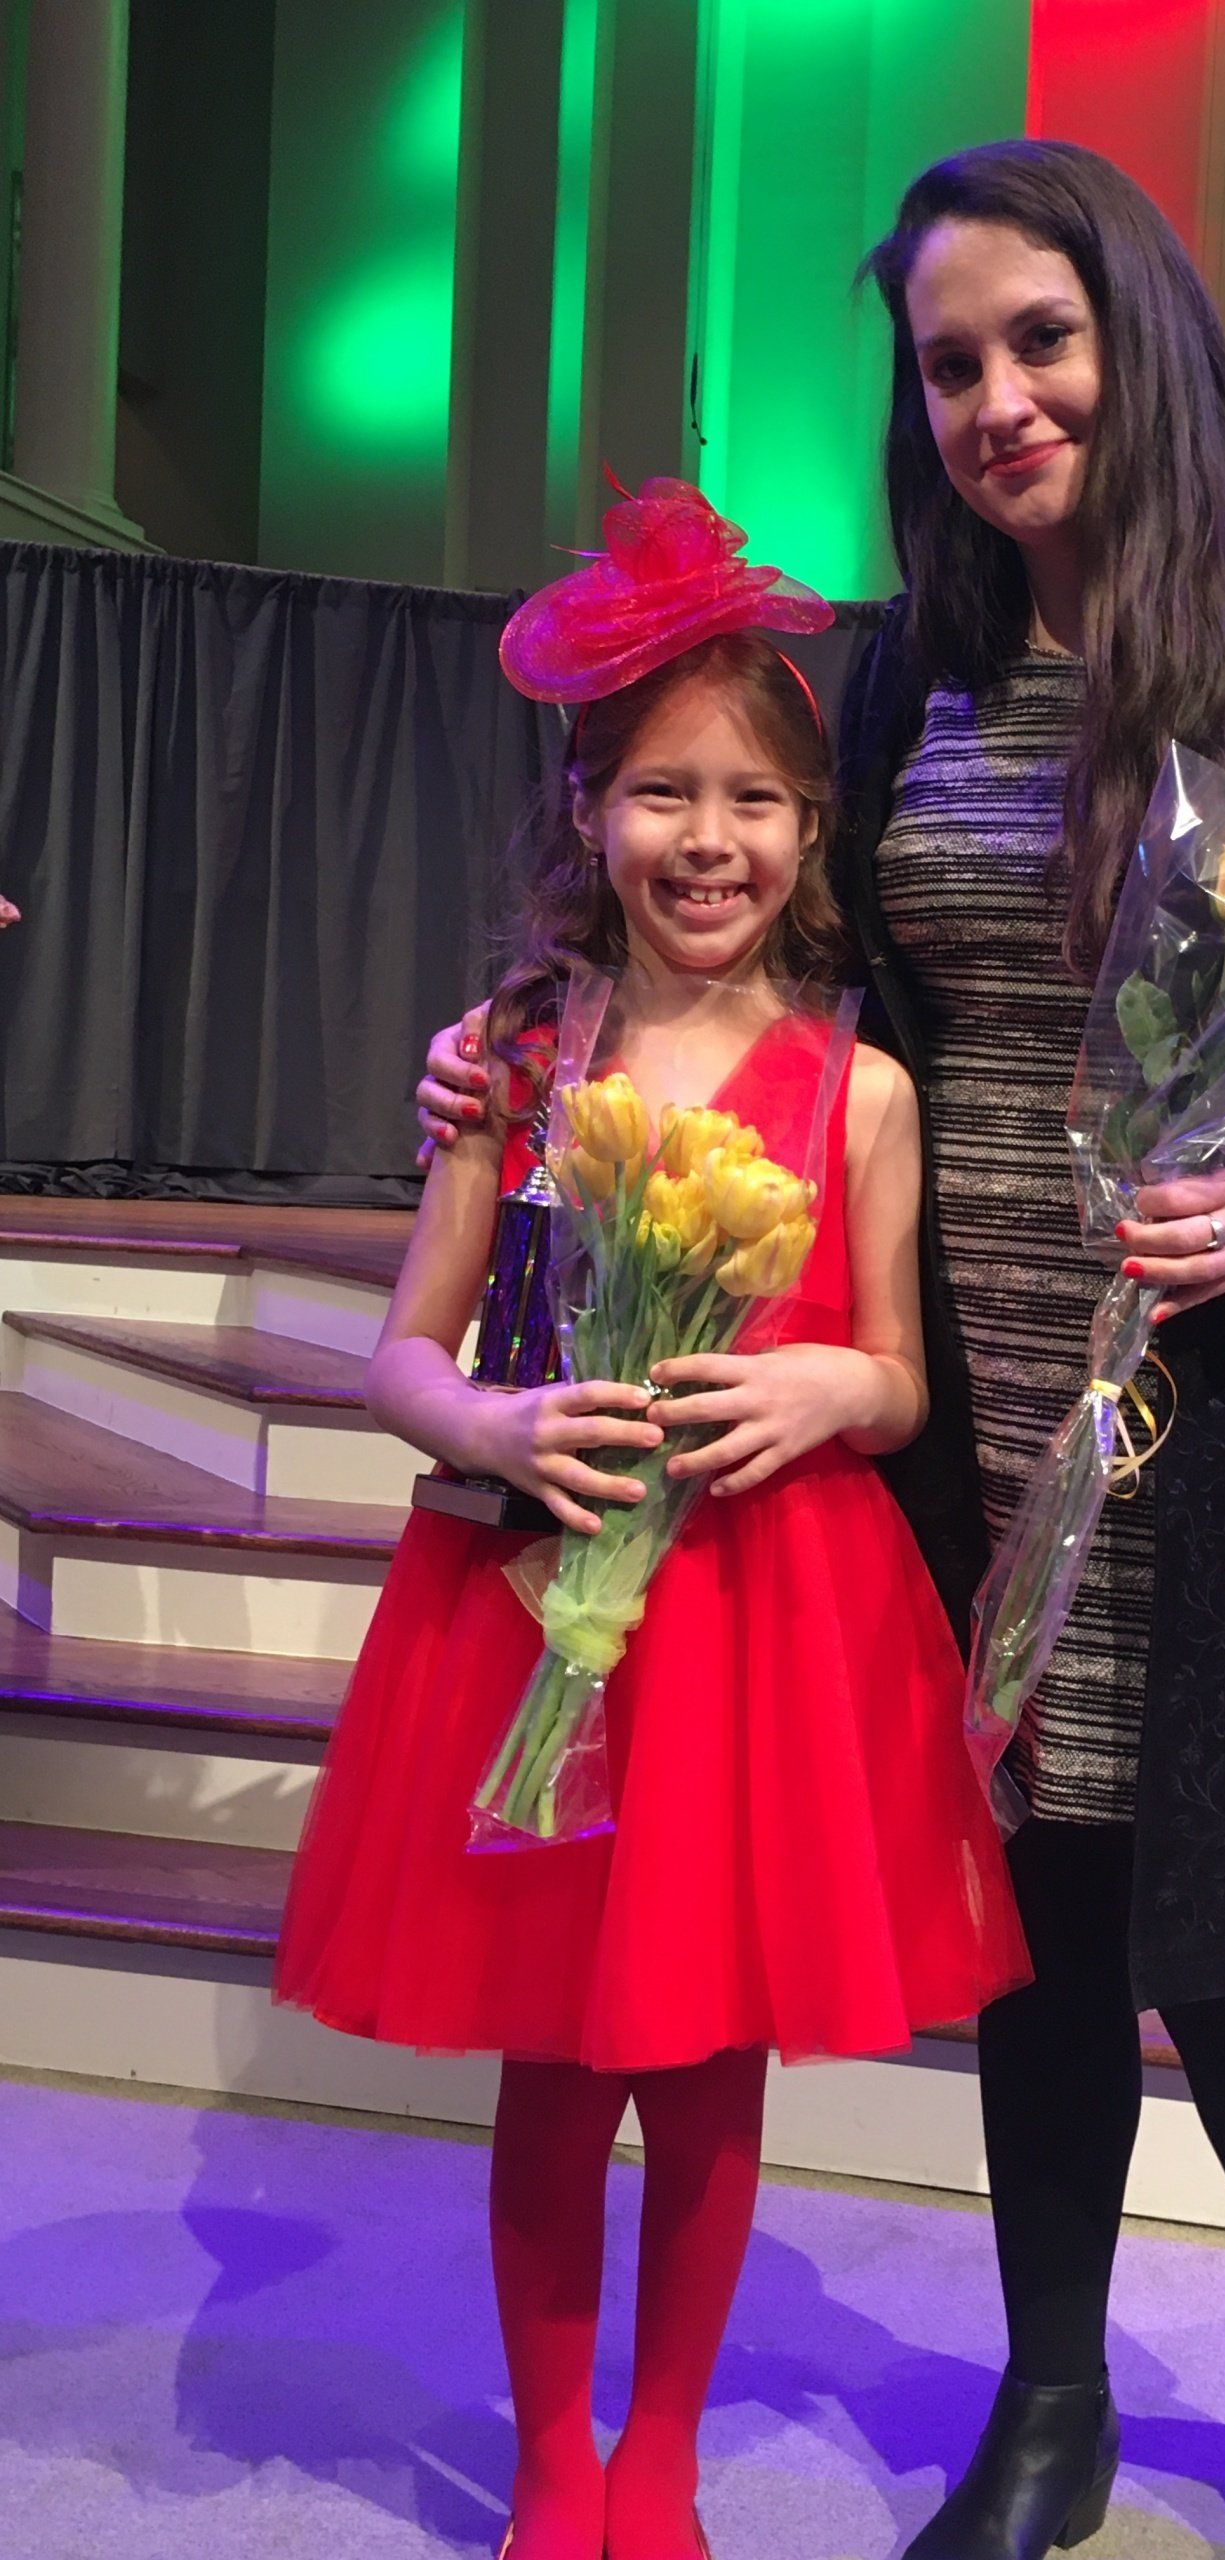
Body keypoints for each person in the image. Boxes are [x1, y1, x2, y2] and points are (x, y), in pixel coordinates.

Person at [422, 141, 1225, 2560]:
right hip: (970, 1405)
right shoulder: (905, 677)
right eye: (950, 364)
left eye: (1042, 339)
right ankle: (1052, 2395)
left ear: (1140, 341)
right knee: (1036, 1936)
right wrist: (512, 1040)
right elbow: (767, 965)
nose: (1000, 399)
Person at [278, 481, 1029, 2560]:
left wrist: (832, 1387)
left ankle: (663, 2457)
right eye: (664, 793)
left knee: (708, 2059)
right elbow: (402, 1353)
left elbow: (900, 1372)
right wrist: (492, 1416)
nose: (711, 840)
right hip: (538, 1605)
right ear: (588, 810)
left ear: (812, 829)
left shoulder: (861, 1087)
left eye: (757, 799)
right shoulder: (518, 1057)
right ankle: (551, 2461)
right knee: (556, 2055)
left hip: (763, 1630)